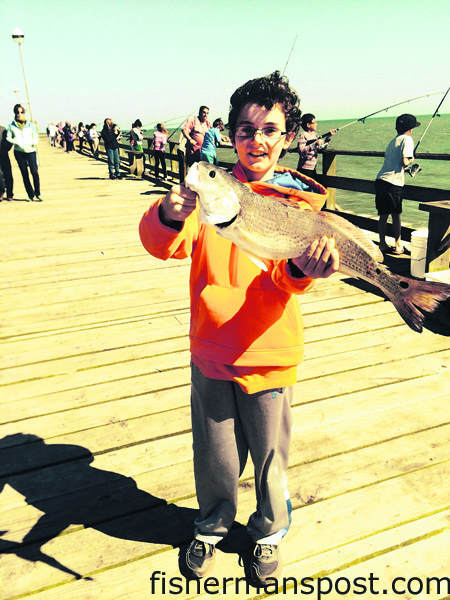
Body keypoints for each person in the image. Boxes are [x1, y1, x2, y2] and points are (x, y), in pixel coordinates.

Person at [139, 71, 340, 587]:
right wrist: (166, 211)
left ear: (288, 137)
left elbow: (285, 277)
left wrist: (302, 271)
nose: (258, 141)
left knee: (272, 457)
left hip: (271, 353)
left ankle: (268, 534)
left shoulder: (300, 204)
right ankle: (211, 525)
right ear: (230, 134)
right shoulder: (211, 193)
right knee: (215, 456)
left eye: (270, 130)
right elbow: (164, 244)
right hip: (211, 351)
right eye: (247, 130)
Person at [375, 113, 420, 255]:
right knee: (396, 214)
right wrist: (412, 159)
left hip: (381, 181)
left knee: (383, 214)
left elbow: (393, 164)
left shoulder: (392, 141)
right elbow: (404, 162)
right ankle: (398, 245)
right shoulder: (408, 140)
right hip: (393, 184)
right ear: (411, 129)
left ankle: (382, 244)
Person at [6, 104, 43, 202]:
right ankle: (30, 194)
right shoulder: (12, 125)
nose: (19, 114)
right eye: (17, 112)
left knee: (34, 172)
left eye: (21, 112)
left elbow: (35, 136)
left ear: (24, 112)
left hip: (30, 151)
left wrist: (33, 143)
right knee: (24, 174)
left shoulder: (30, 125)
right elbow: (8, 137)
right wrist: (16, 141)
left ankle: (38, 193)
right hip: (19, 152)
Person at [295, 113, 336, 178]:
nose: (316, 124)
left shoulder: (315, 135)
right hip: (304, 169)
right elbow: (301, 150)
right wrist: (315, 144)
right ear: (308, 125)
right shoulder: (303, 135)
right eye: (314, 122)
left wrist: (328, 137)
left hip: (313, 168)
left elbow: (322, 147)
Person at [0, 127, 14, 201]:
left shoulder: (3, 129)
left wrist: (6, 149)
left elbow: (10, 141)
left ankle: (10, 194)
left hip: (4, 155)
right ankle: (1, 193)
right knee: (0, 175)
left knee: (8, 175)